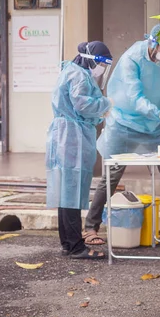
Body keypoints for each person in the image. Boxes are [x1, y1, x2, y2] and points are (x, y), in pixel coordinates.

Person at [82, 24, 160, 245]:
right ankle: (90, 228)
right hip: (124, 122)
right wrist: (159, 113)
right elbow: (135, 96)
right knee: (111, 175)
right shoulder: (131, 58)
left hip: (155, 126)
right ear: (151, 43)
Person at [46, 41, 113, 259]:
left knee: (67, 194)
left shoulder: (73, 71)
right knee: (71, 194)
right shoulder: (79, 76)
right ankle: (76, 247)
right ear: (89, 59)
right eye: (101, 64)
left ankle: (68, 244)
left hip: (67, 135)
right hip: (71, 138)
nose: (102, 69)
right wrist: (106, 104)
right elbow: (83, 104)